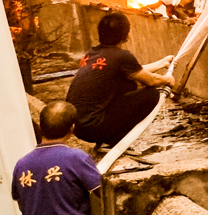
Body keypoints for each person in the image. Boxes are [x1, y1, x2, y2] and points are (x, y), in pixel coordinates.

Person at [66, 13, 174, 147]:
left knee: (128, 84)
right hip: (93, 127)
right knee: (151, 95)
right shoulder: (122, 56)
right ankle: (114, 141)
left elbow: (135, 72)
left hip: (77, 126)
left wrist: (162, 63)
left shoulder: (92, 53)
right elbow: (151, 81)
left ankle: (106, 141)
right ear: (126, 35)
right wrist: (167, 80)